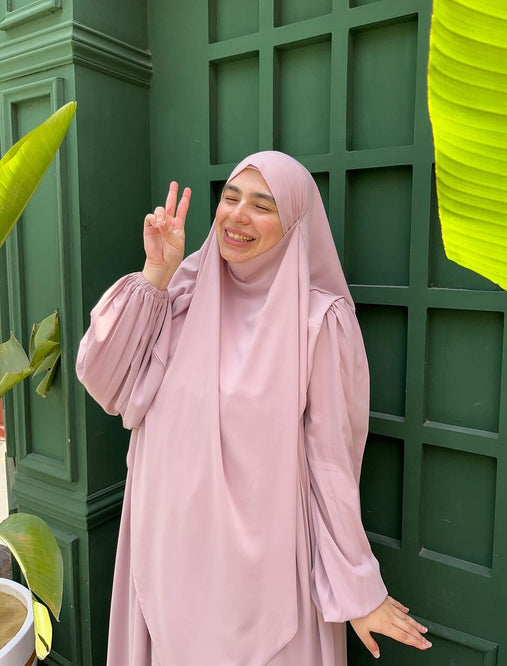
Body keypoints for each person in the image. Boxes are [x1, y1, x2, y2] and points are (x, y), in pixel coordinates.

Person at [77, 151, 432, 665]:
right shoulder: (180, 295)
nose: (238, 216)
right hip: (163, 558)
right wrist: (156, 272)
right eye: (230, 198)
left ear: (294, 225)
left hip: (262, 580)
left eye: (262, 206)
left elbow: (331, 465)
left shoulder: (318, 322)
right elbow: (105, 379)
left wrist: (358, 588)